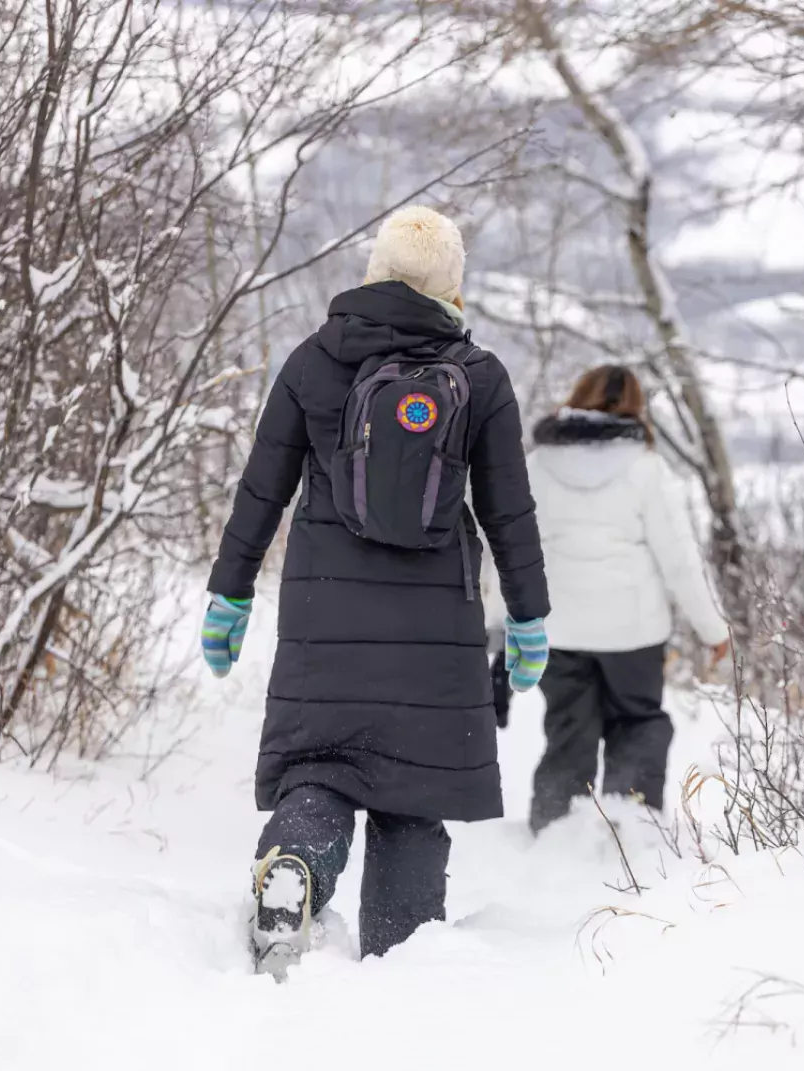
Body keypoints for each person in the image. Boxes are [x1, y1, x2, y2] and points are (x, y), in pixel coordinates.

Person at [200, 206, 550, 975]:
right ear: (451, 287)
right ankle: (401, 964)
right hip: (436, 629)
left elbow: (261, 492)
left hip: (325, 612)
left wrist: (229, 595)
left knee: (319, 770)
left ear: (375, 271)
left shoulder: (312, 361)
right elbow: (508, 514)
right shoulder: (479, 377)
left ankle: (294, 864)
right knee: (411, 800)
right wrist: (529, 618)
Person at [523, 366, 729, 832]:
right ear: (635, 407)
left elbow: (508, 547)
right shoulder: (645, 467)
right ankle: (632, 831)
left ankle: (554, 831)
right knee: (637, 724)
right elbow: (678, 559)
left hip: (558, 628)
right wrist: (712, 629)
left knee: (568, 732)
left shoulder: (538, 464)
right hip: (633, 630)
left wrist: (496, 622)